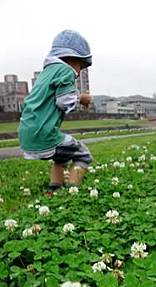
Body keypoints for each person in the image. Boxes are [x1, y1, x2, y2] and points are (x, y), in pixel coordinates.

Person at [18, 30, 93, 195]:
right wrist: (81, 98)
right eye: (81, 66)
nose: (79, 72)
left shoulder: (47, 72)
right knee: (83, 155)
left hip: (27, 133)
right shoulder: (64, 70)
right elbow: (64, 100)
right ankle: (72, 192)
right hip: (44, 133)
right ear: (71, 58)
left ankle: (54, 188)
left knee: (62, 155)